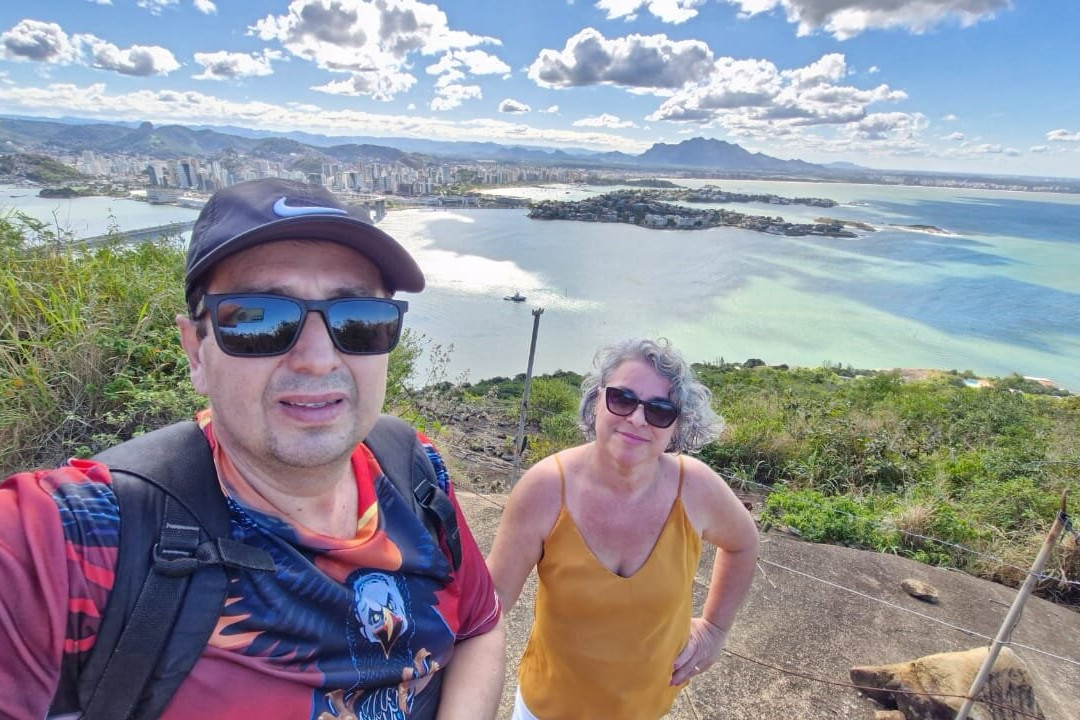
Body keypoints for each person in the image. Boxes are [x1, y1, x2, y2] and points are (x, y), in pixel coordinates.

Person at [0, 178, 504, 719]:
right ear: (196, 350)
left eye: (359, 320)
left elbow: (479, 626)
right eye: (261, 320)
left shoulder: (414, 466)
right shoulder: (75, 534)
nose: (317, 360)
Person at [487, 337, 759, 720]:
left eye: (660, 410)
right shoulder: (546, 489)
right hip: (546, 709)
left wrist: (715, 629)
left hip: (648, 710)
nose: (637, 419)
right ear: (597, 400)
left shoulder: (695, 489)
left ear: (676, 425)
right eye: (622, 398)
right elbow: (489, 606)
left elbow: (744, 543)